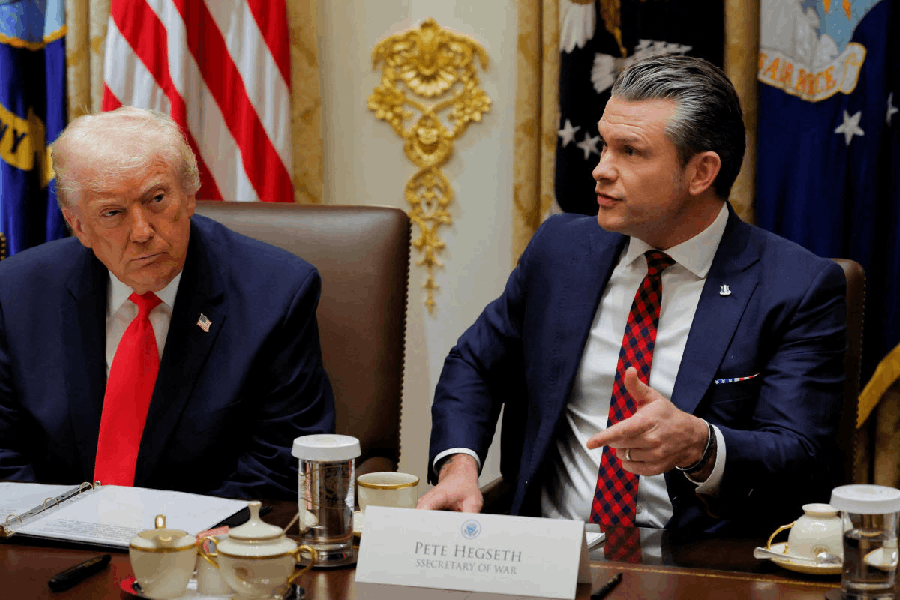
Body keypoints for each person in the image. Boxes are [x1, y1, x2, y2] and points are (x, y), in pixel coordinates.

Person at [418, 55, 846, 537]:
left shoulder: (796, 287)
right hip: (549, 548)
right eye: (604, 145)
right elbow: (475, 363)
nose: (601, 169)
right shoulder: (560, 250)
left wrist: (702, 446)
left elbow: (803, 458)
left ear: (701, 173)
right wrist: (458, 468)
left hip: (697, 562)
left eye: (630, 152)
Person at [0, 107, 335, 500]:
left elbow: (282, 459)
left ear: (189, 195)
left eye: (157, 199)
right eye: (113, 213)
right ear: (78, 226)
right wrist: (48, 526)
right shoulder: (17, 293)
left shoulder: (276, 293)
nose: (142, 232)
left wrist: (172, 533)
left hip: (205, 531)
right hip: (53, 531)